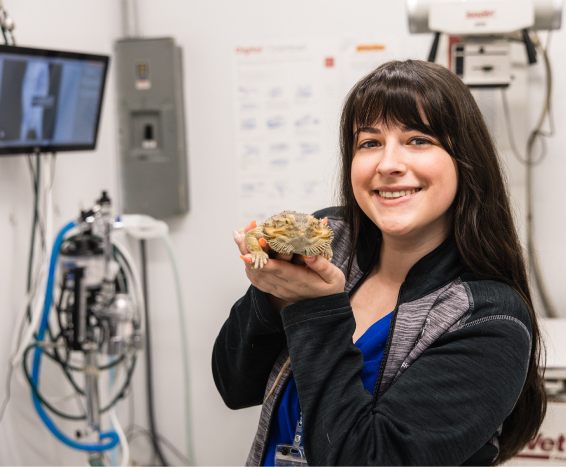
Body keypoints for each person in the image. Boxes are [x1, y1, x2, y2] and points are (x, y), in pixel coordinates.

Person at [212, 59, 546, 466]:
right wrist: (273, 295)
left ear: (465, 160)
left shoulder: (490, 319)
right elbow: (234, 385)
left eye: (419, 140)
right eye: (369, 143)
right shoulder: (330, 239)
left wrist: (314, 309)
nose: (388, 164)